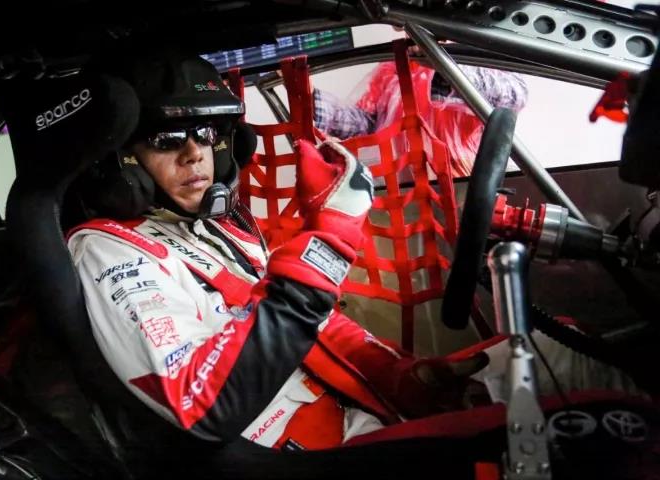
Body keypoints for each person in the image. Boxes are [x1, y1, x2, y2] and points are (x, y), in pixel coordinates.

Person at [67, 49, 639, 451]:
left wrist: (400, 374)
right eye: (167, 139)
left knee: (562, 352)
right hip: (317, 451)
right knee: (610, 426)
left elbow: (311, 326)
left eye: (209, 134)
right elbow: (207, 402)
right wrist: (329, 238)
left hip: (363, 406)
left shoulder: (216, 226)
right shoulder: (108, 251)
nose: (195, 154)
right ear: (119, 159)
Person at [313, 60, 528, 177]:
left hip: (461, 184)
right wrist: (314, 102)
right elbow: (368, 125)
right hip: (401, 190)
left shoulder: (476, 60)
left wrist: (447, 70)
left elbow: (514, 96)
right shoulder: (391, 70)